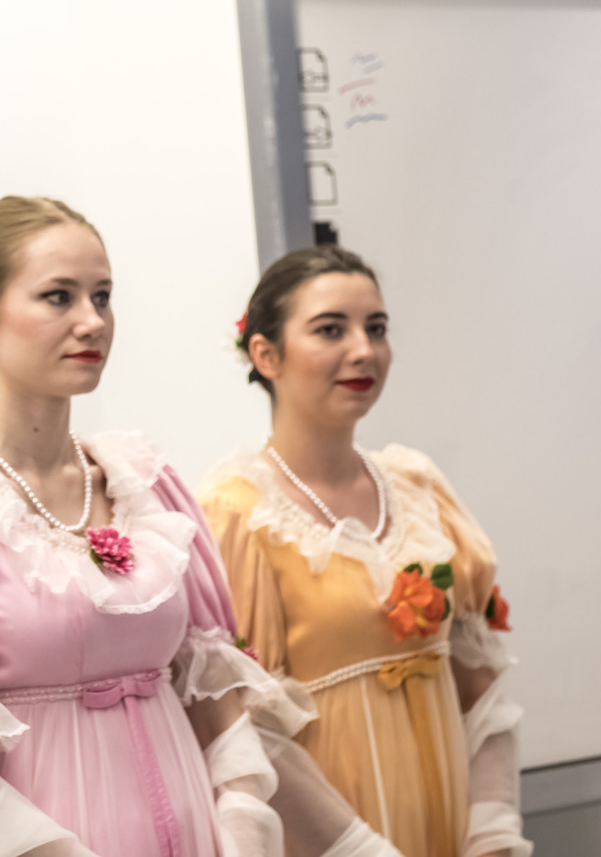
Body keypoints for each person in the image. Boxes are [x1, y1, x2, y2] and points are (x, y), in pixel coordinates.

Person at [0, 196, 397, 857]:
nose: (92, 321)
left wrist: (241, 825)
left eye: (102, 296)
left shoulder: (146, 482)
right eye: (58, 297)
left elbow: (215, 697)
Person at [198, 246, 531, 857]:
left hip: (447, 827)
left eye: (376, 329)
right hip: (330, 840)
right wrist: (359, 849)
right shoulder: (239, 513)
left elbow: (479, 685)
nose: (364, 350)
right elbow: (250, 728)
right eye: (331, 330)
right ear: (266, 355)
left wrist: (493, 832)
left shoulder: (419, 487)